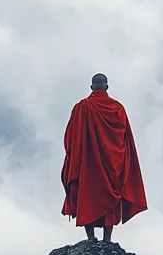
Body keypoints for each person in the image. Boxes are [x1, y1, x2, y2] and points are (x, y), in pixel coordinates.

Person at [61, 73, 147, 241]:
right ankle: (107, 239)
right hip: (114, 164)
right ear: (106, 87)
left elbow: (70, 139)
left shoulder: (81, 108)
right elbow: (126, 140)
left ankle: (90, 237)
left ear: (91, 87)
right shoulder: (117, 109)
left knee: (87, 194)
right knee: (110, 193)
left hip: (87, 164)